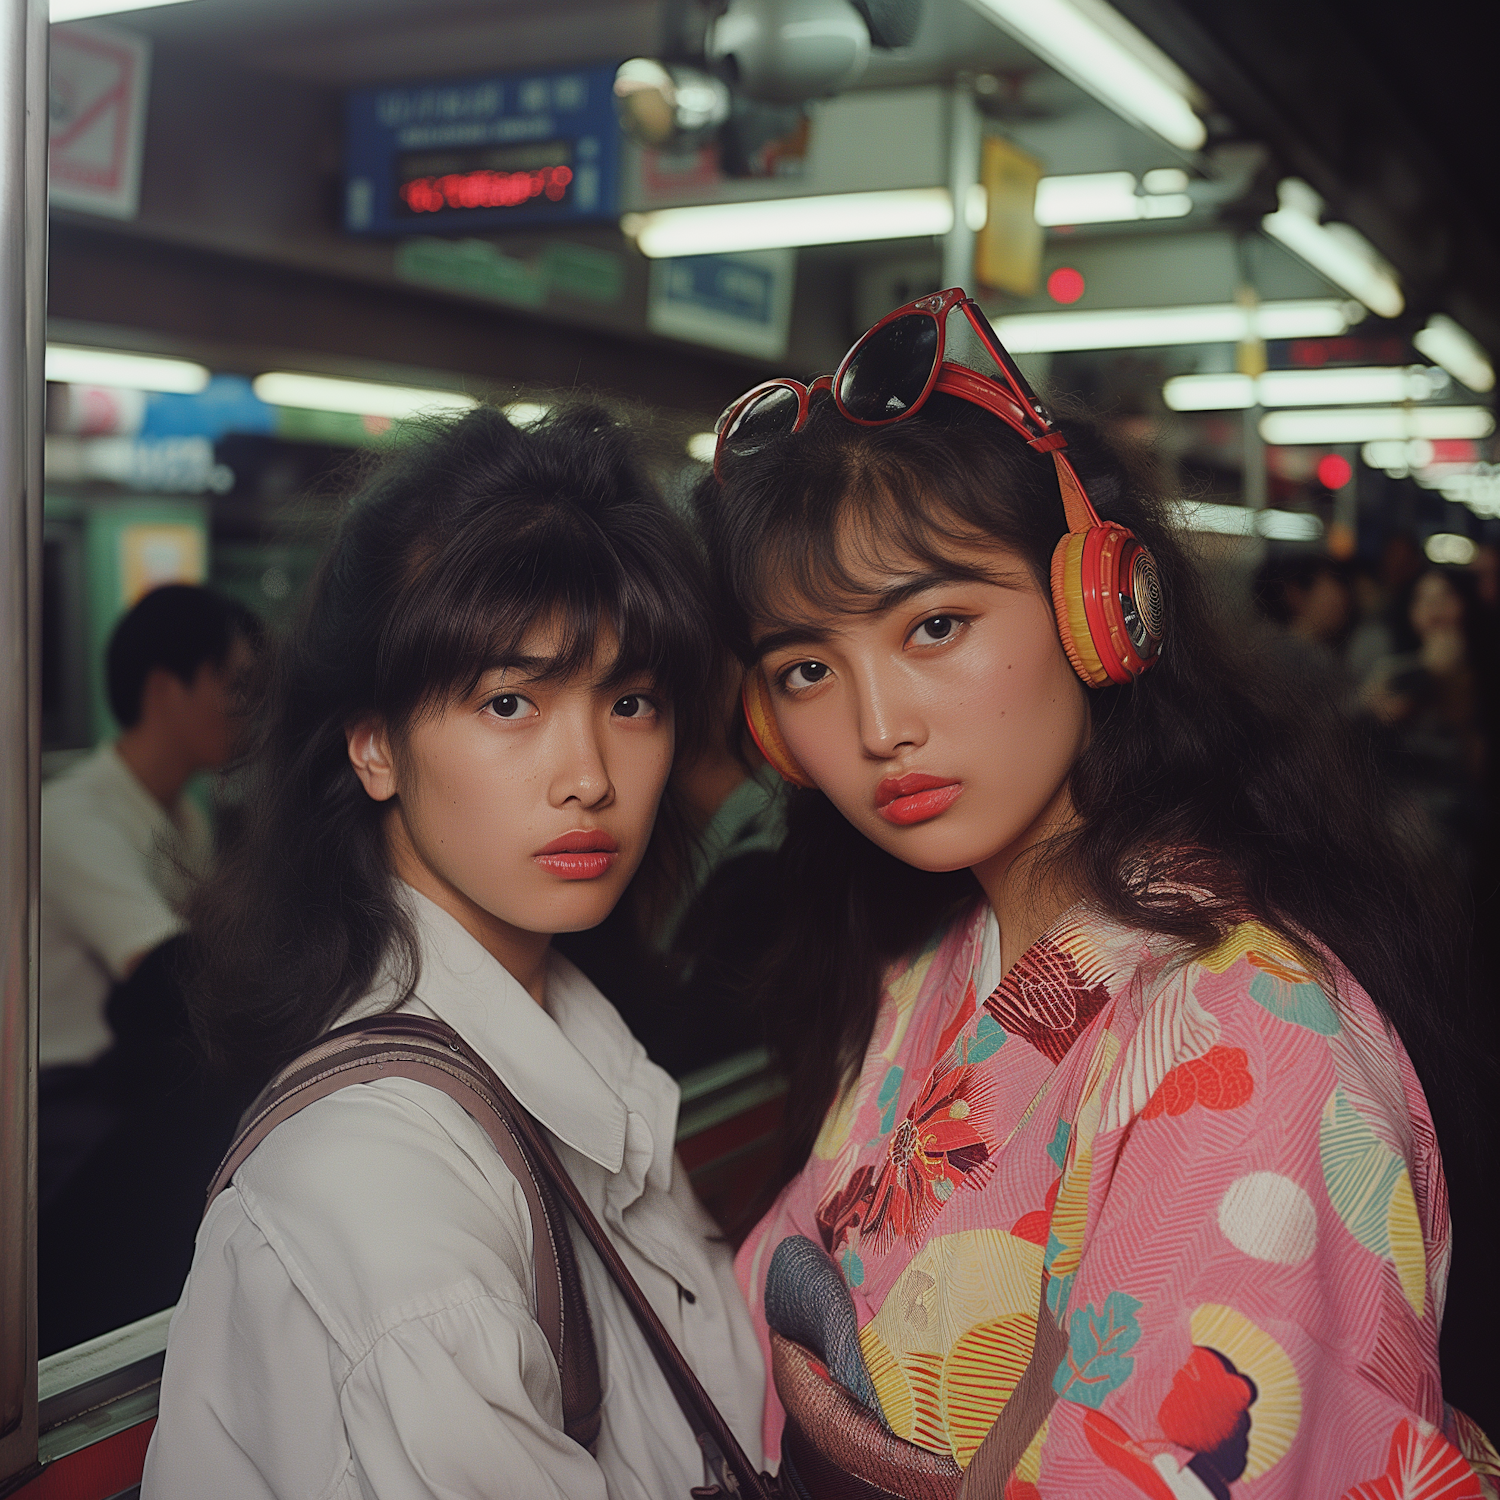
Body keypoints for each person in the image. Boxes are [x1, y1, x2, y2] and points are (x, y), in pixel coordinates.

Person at [694, 289, 1499, 1494]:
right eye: (808, 667)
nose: (875, 725)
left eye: (936, 626)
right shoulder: (936, 963)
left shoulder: (1249, 1038)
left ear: (1099, 610)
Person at [142, 404, 764, 1500]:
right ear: (374, 744)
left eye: (631, 701)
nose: (589, 775)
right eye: (510, 701)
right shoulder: (387, 1205)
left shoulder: (568, 1046)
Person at [38, 583, 258, 1205]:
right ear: (167, 688)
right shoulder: (75, 817)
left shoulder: (183, 816)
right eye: (234, 685)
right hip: (63, 1102)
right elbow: (166, 974)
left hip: (132, 1082)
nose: (247, 709)